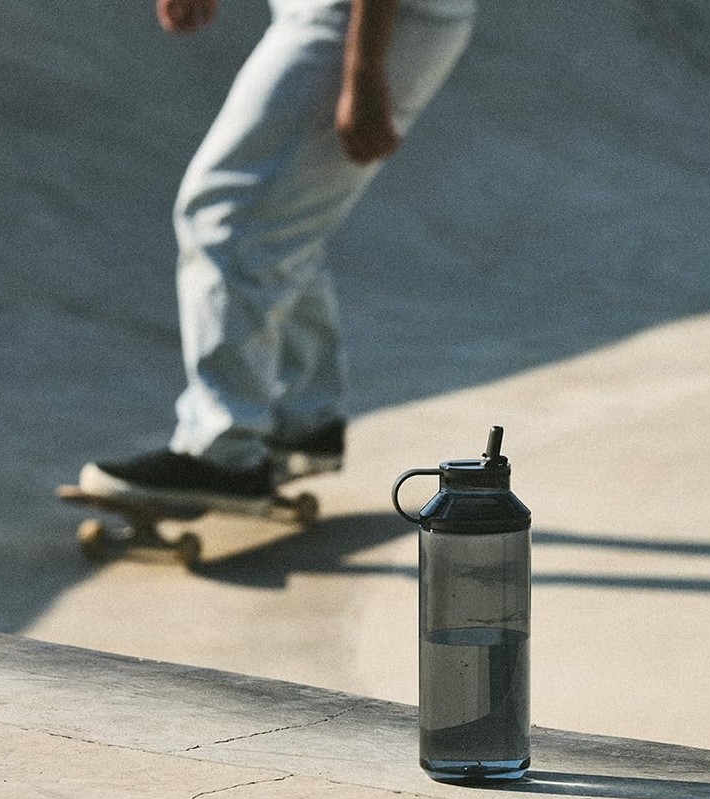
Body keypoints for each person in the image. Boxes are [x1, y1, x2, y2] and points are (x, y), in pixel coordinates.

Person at [79, 0, 476, 511]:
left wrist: (363, 71)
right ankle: (301, 420)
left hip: (364, 18)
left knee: (228, 216)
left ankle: (224, 451)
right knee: (280, 219)